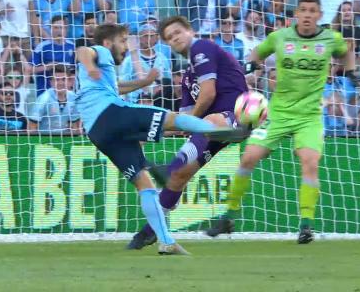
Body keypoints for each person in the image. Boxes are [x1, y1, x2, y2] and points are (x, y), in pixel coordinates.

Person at [76, 24, 241, 255]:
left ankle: (166, 241)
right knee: (174, 118)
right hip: (111, 113)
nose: (125, 47)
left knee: (145, 185)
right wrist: (90, 65)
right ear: (107, 43)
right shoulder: (100, 52)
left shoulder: (101, 78)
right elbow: (83, 51)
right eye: (123, 41)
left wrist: (144, 82)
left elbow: (115, 87)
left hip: (97, 132)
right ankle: (221, 131)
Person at [205, 0, 355, 244]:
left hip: (309, 116)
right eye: (303, 10)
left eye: (312, 11)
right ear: (296, 14)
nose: (307, 15)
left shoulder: (331, 39)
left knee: (310, 162)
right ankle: (229, 216)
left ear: (319, 15)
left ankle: (306, 225)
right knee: (248, 157)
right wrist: (251, 65)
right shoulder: (279, 37)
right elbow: (256, 53)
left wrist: (351, 72)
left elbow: (346, 50)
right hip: (278, 112)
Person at [126, 15, 248, 250]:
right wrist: (148, 132)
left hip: (235, 116)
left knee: (209, 120)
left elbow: (209, 94)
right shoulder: (187, 76)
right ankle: (150, 231)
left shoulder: (202, 47)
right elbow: (183, 120)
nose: (175, 39)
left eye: (178, 33)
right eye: (169, 38)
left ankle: (168, 168)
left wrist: (192, 121)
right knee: (179, 176)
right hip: (213, 131)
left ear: (190, 31)